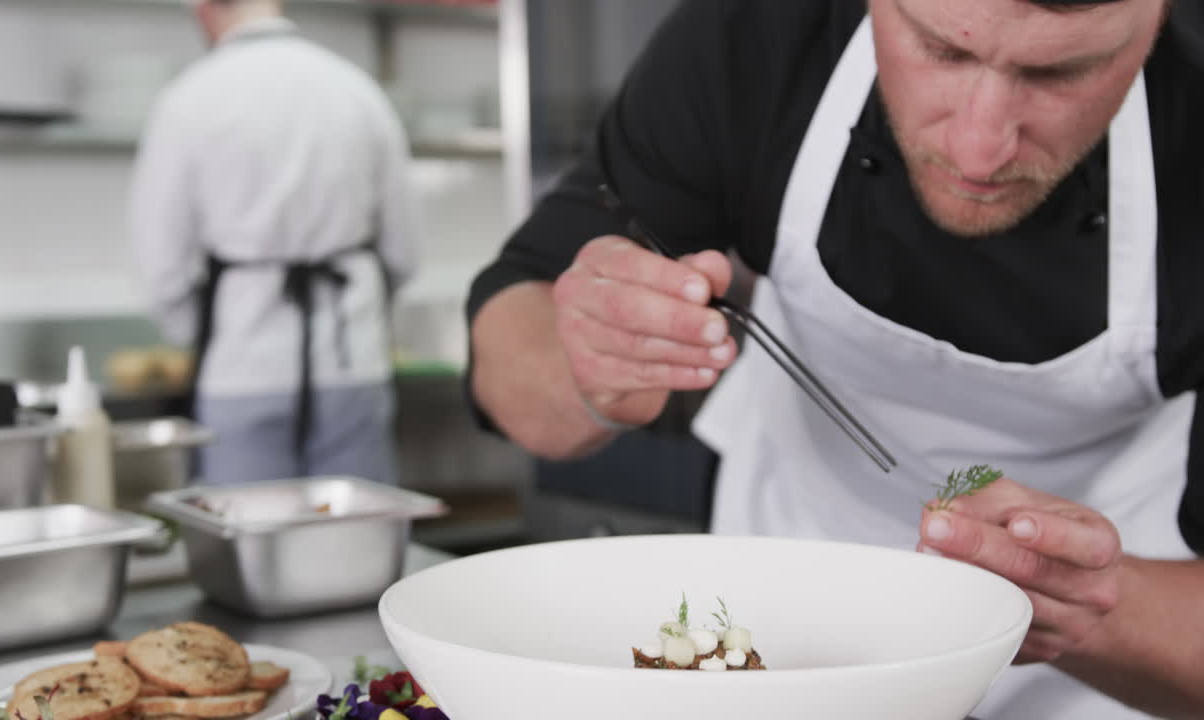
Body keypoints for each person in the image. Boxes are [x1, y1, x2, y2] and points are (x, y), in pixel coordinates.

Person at [465, 0, 1204, 716]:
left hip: (1106, 670)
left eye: (1060, 72)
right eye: (941, 49)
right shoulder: (757, 38)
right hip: (777, 641)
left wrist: (1083, 608)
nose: (981, 148)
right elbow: (511, 341)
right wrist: (593, 367)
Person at [131, 0, 419, 486]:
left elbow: (160, 262)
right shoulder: (357, 90)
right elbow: (404, 250)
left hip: (241, 367)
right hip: (353, 360)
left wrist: (201, 336)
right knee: (358, 544)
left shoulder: (188, 98)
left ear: (204, 12)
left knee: (249, 547)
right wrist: (363, 315)